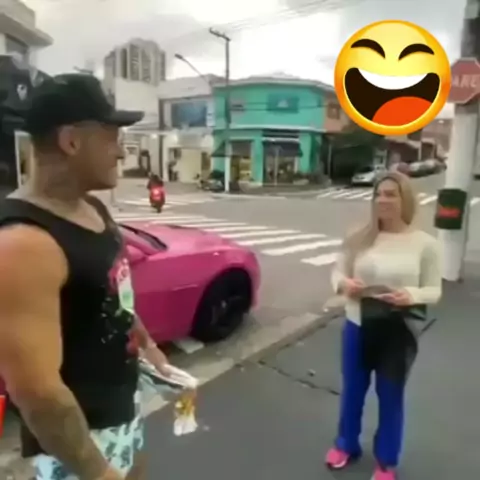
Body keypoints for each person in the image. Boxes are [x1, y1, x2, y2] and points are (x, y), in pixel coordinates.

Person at [0, 73, 170, 480]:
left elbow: (114, 294)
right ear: (71, 141)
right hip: (77, 447)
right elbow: (38, 393)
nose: (122, 152)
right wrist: (99, 473)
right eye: (112, 137)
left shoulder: (93, 208)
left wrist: (148, 346)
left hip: (122, 413)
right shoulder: (23, 243)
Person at [324, 172, 442, 480]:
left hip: (396, 331)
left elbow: (434, 290)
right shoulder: (358, 237)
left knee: (391, 397)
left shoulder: (425, 245)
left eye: (391, 194)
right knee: (352, 392)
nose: (383, 200)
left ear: (405, 199)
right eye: (378, 194)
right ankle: (346, 444)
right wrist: (345, 285)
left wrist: (411, 295)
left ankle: (386, 461)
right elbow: (336, 272)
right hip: (357, 325)